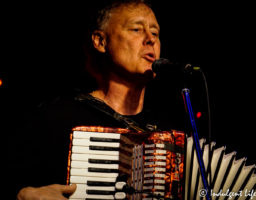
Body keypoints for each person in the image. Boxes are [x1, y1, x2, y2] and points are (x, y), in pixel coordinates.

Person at [13, 0, 178, 199]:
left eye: (155, 32)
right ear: (100, 41)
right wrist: (22, 195)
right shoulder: (54, 120)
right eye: (136, 29)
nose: (150, 39)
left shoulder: (172, 129)